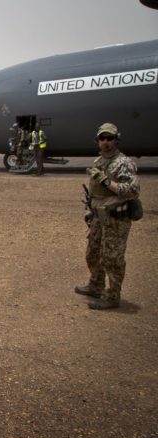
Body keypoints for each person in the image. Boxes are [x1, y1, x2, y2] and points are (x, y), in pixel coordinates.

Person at [74, 123, 140, 310]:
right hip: (98, 217)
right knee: (92, 254)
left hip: (115, 218)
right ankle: (95, 285)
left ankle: (112, 297)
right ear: (97, 141)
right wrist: (90, 209)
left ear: (116, 140)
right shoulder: (98, 162)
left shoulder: (124, 163)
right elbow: (94, 193)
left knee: (111, 258)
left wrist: (106, 181)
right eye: (102, 138)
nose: (106, 142)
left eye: (109, 138)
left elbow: (132, 191)